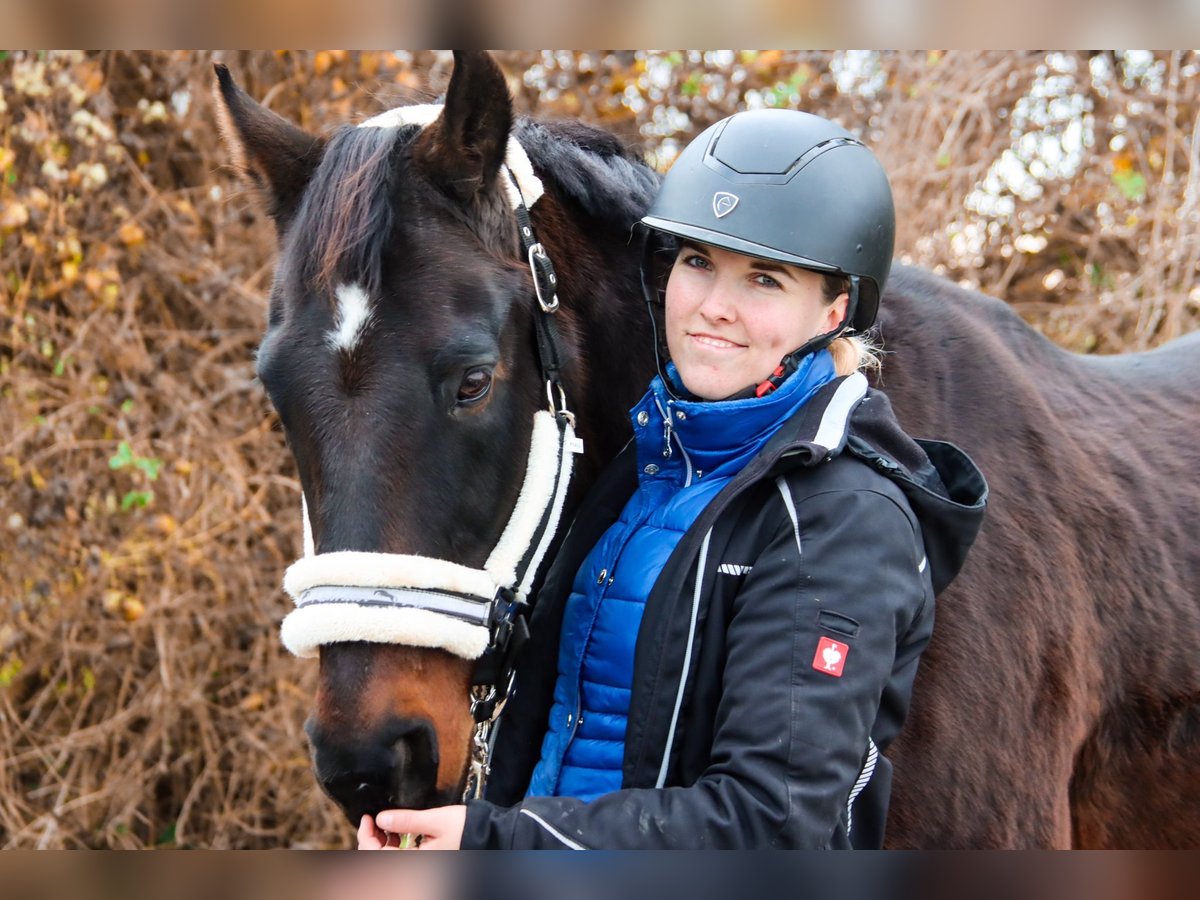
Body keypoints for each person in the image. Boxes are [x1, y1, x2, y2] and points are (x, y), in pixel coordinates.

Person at [358, 108, 987, 850]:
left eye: (764, 278)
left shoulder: (841, 520)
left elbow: (770, 824)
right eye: (697, 263)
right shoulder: (645, 467)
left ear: (835, 309)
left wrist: (497, 844)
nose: (713, 308)